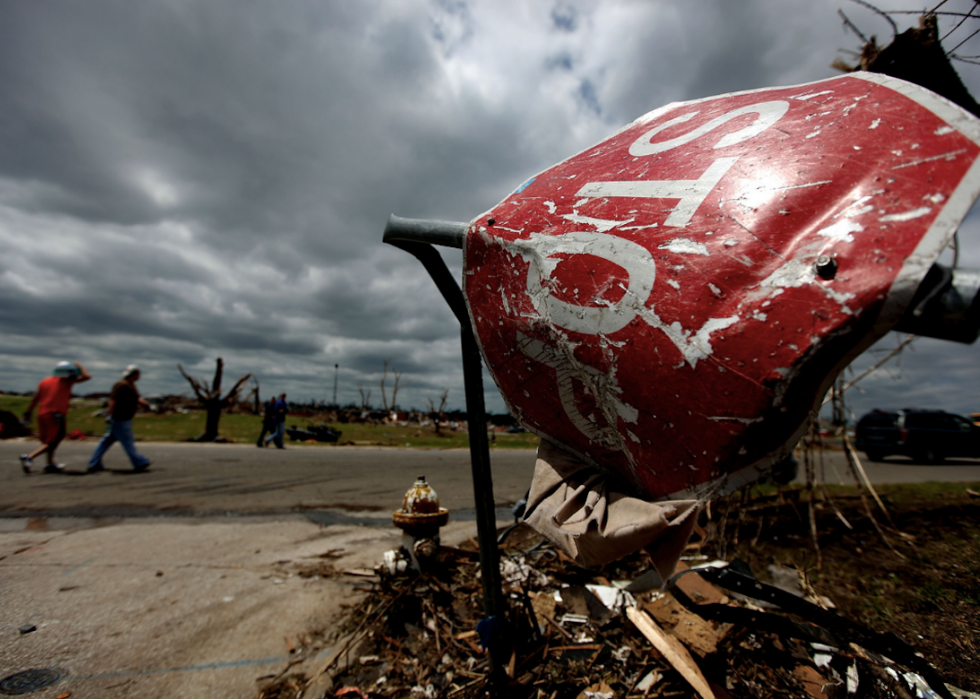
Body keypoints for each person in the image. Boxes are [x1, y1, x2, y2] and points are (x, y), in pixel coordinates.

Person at [20, 361, 91, 474]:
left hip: (42, 413)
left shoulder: (44, 382)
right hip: (55, 415)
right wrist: (79, 365)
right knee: (53, 440)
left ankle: (50, 463)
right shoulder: (67, 382)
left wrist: (29, 412)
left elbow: (36, 398)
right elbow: (87, 377)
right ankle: (29, 457)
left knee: (50, 439)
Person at [87, 365, 152, 473]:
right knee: (127, 441)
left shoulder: (130, 385)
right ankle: (139, 461)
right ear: (134, 374)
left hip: (124, 417)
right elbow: (113, 400)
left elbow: (136, 398)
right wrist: (109, 414)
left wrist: (147, 405)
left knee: (106, 442)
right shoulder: (121, 385)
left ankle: (94, 463)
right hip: (120, 418)